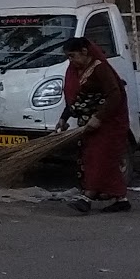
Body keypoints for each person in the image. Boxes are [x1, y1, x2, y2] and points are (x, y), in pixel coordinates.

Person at [55, 37, 131, 213]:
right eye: (68, 57)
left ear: (84, 51)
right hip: (89, 124)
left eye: (72, 56)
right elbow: (76, 98)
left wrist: (98, 117)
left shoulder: (100, 68)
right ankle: (121, 199)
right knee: (98, 159)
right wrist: (63, 118)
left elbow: (115, 95)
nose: (71, 60)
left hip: (109, 123)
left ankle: (87, 198)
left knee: (99, 159)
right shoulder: (76, 71)